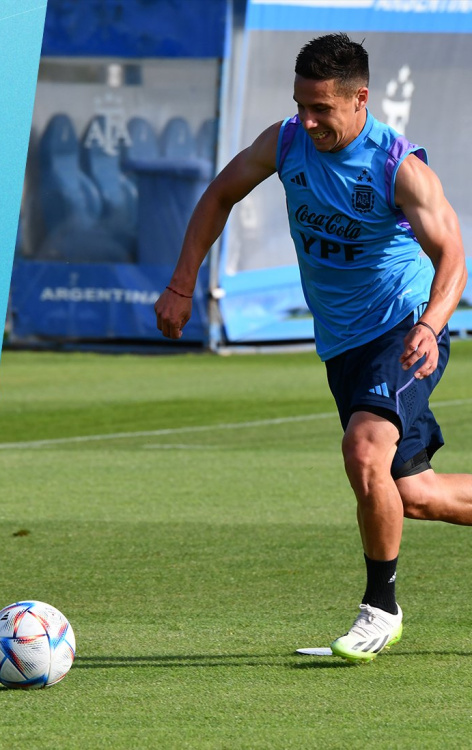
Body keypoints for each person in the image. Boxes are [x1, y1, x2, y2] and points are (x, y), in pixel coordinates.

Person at [154, 33, 470, 663]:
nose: (308, 120)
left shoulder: (398, 167)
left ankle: (380, 610)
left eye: (322, 108)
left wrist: (431, 326)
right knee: (414, 494)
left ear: (361, 99)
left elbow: (453, 255)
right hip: (343, 345)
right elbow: (219, 195)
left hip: (402, 329)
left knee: (363, 450)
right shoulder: (285, 142)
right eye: (301, 104)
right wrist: (182, 284)